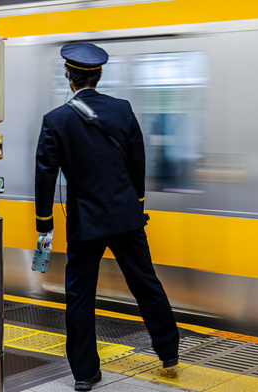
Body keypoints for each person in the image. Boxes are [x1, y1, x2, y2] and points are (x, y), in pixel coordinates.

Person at [34, 42, 179, 391]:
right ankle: (169, 354)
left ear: (68, 76)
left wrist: (45, 225)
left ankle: (85, 375)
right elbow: (138, 162)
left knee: (80, 296)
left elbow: (45, 175)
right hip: (126, 217)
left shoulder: (56, 120)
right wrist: (137, 203)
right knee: (146, 283)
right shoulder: (122, 110)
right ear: (98, 76)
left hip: (86, 222)